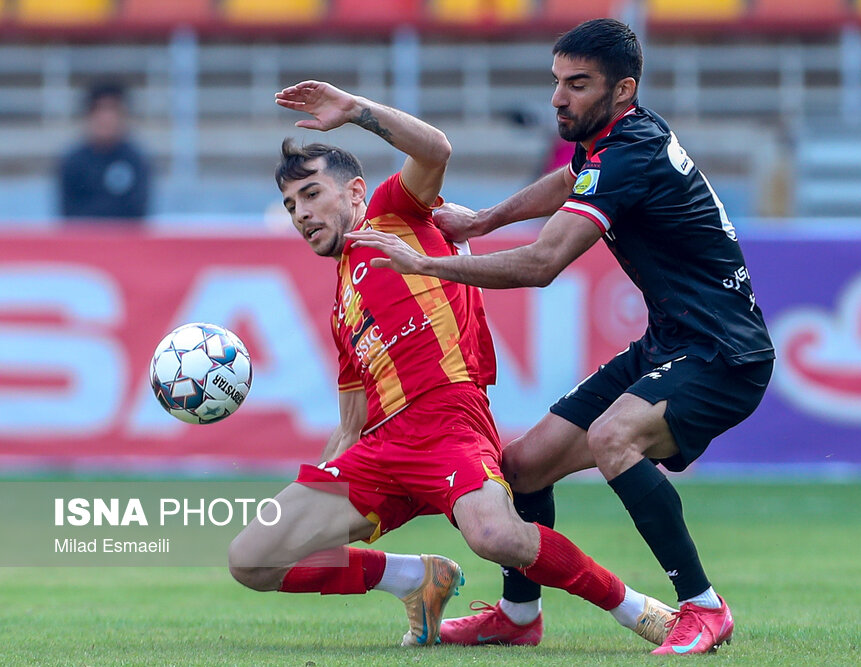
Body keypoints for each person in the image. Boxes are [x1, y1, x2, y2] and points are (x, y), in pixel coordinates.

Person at [345, 18, 775, 656]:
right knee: (521, 468)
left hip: (723, 354)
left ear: (623, 89)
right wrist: (484, 220)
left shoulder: (629, 153)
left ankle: (703, 607)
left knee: (613, 438)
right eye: (556, 81)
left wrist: (428, 264)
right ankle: (518, 616)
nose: (557, 98)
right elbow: (572, 178)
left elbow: (543, 264)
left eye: (577, 84)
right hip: (671, 342)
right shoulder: (613, 137)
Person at [227, 79, 678, 649]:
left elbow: (435, 149)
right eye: (292, 205)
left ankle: (637, 609)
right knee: (252, 558)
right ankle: (415, 578)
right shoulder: (342, 308)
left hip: (449, 424)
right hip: (383, 451)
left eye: (312, 194)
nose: (302, 213)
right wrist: (320, 494)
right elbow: (350, 425)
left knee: (496, 537)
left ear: (355, 191)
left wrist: (357, 110)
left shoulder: (392, 215)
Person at [57, 81, 151, 221]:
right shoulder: (73, 162)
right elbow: (68, 213)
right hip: (84, 235)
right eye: (100, 110)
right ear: (89, 115)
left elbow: (138, 212)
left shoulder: (136, 160)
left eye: (113, 110)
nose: (106, 118)